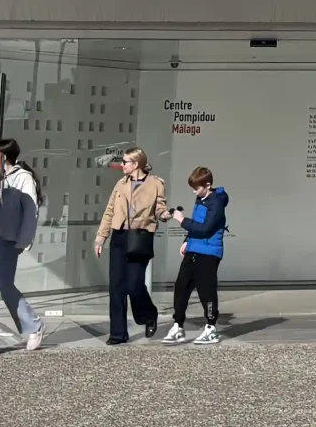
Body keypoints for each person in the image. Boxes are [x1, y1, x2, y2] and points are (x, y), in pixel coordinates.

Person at [93, 147, 168, 346]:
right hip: (119, 237)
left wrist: (164, 214)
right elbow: (110, 211)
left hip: (140, 237)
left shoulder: (155, 184)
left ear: (136, 164)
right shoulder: (120, 184)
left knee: (134, 285)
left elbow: (160, 207)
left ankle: (148, 315)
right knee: (116, 287)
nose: (122, 165)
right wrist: (101, 237)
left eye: (125, 162)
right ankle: (118, 333)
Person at [0, 138, 46, 355]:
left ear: (3, 156)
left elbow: (31, 213)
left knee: (5, 285)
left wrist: (24, 241)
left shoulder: (23, 178)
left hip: (9, 239)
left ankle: (34, 325)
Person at [165, 164, 230, 345]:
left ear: (207, 185)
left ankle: (211, 328)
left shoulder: (216, 202)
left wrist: (181, 220)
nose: (194, 191)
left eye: (197, 188)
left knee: (206, 291)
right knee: (181, 288)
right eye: (192, 188)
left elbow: (205, 229)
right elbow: (197, 223)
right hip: (194, 249)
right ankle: (178, 325)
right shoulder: (201, 199)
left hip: (209, 253)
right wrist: (187, 240)